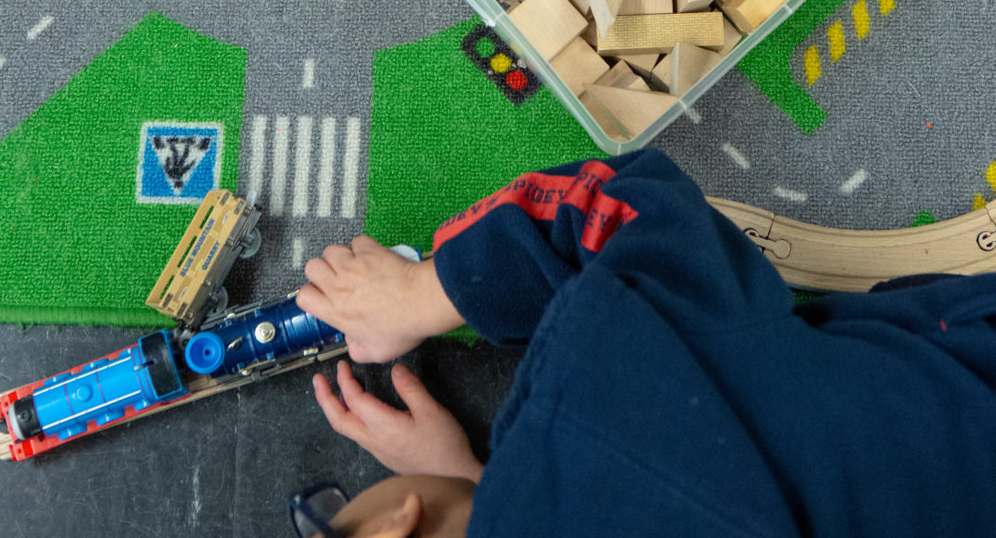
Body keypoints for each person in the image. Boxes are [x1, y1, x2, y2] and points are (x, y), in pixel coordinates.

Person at [296, 146, 996, 537]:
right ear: (394, 528)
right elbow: (633, 209)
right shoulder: (599, 409)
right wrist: (424, 294)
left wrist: (478, 487)